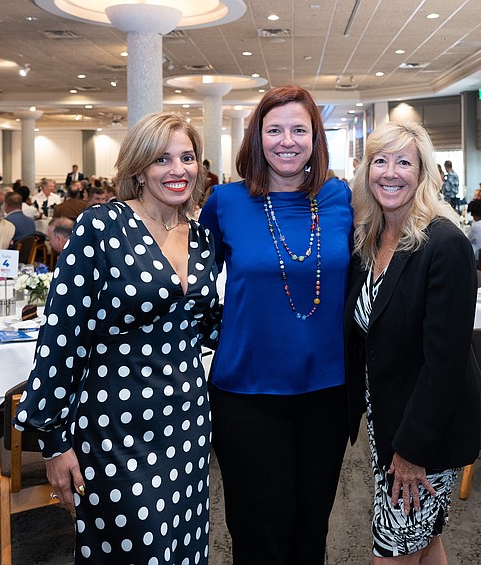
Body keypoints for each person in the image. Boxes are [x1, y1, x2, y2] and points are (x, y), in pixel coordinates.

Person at [14, 112, 219, 564]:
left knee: (184, 544)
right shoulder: (102, 226)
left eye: (188, 157)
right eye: (162, 159)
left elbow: (205, 323)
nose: (178, 169)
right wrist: (53, 441)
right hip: (114, 423)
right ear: (139, 168)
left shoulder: (201, 236)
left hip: (186, 419)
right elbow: (61, 336)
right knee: (132, 548)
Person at [198, 85, 352, 564]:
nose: (287, 140)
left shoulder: (340, 197)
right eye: (275, 129)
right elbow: (192, 284)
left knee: (311, 528)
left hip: (326, 391)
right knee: (258, 530)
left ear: (315, 137)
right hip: (246, 393)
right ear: (257, 137)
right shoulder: (224, 202)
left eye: (299, 129)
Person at [343, 121, 481, 562]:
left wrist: (411, 452)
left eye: (404, 162)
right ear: (366, 171)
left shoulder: (445, 243)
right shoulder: (369, 238)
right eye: (380, 161)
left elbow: (445, 363)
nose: (390, 172)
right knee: (424, 542)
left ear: (423, 172)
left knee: (392, 552)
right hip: (387, 420)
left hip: (425, 433)